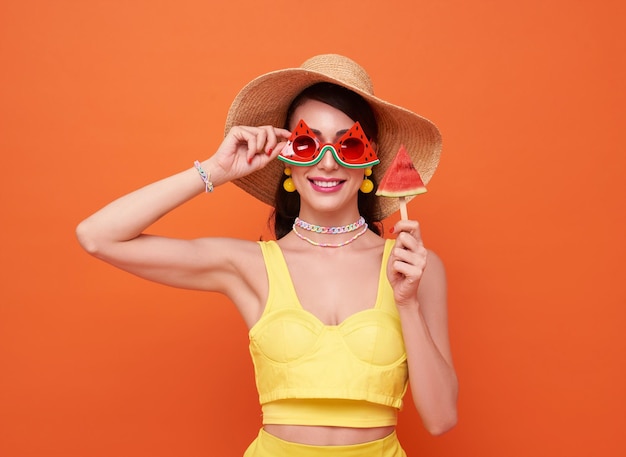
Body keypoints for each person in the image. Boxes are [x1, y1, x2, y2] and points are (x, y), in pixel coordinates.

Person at [76, 54, 458, 456]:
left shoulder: (413, 268)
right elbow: (98, 237)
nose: (327, 161)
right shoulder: (250, 266)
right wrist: (215, 170)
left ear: (370, 160)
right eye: (308, 142)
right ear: (286, 157)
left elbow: (441, 418)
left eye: (348, 143)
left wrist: (407, 303)